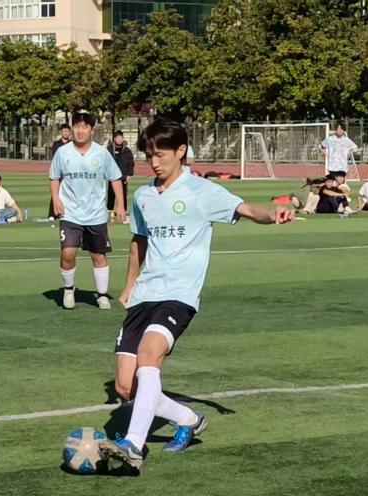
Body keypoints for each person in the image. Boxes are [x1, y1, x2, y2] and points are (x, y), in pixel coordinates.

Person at [98, 118, 294, 469]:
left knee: (149, 355)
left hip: (179, 295)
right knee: (127, 387)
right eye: (149, 155)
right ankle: (189, 420)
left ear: (181, 151)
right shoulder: (143, 196)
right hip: (145, 293)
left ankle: (134, 446)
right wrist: (128, 285)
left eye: (160, 155)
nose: (154, 162)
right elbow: (139, 243)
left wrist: (273, 213)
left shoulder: (203, 191)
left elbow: (248, 210)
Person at [49, 111, 125, 310]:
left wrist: (120, 204)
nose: (80, 130)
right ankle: (68, 290)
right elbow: (54, 177)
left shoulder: (101, 153)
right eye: (77, 126)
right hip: (70, 212)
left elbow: (115, 178)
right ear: (72, 128)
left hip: (96, 213)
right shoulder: (62, 153)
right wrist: (56, 199)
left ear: (92, 130)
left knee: (98, 255)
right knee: (68, 253)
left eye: (85, 127)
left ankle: (102, 295)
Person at [107, 130, 134, 223]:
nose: (119, 140)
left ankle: (123, 215)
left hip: (123, 176)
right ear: (114, 139)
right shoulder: (109, 149)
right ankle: (110, 215)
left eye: (121, 138)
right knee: (111, 196)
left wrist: (129, 174)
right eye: (117, 138)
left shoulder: (127, 151)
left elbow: (131, 163)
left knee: (123, 196)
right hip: (112, 177)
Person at [47, 124, 72, 219]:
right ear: (61, 132)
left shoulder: (72, 144)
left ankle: (66, 213)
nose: (65, 133)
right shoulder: (56, 144)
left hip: (69, 172)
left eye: (67, 131)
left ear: (70, 133)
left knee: (69, 193)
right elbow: (55, 158)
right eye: (64, 131)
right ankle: (52, 214)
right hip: (59, 171)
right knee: (55, 193)